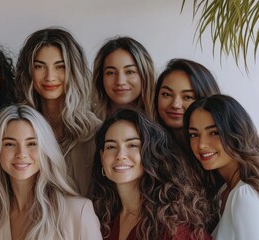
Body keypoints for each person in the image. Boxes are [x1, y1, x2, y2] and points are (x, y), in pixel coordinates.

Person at [0, 105, 102, 240]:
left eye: (32, 144)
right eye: (10, 144)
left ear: (46, 149)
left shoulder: (78, 211)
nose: (21, 154)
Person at [91, 107, 212, 240]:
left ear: (151, 153)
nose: (120, 155)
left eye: (132, 145)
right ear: (102, 157)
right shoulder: (101, 218)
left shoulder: (175, 226)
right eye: (111, 147)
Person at [15, 27, 101, 196]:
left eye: (60, 66)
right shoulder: (16, 127)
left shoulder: (95, 132)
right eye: (40, 66)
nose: (50, 77)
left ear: (74, 71)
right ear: (29, 72)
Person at [184, 94, 259, 239]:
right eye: (194, 135)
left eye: (214, 133)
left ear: (236, 132)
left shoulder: (244, 195)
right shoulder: (224, 191)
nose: (201, 145)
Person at [155, 58, 220, 150]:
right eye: (167, 94)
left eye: (187, 97)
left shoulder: (222, 145)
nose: (175, 105)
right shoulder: (149, 145)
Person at [92, 37, 155, 119]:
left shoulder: (162, 121)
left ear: (145, 75)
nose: (120, 82)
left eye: (130, 72)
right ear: (100, 78)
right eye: (111, 73)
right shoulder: (87, 124)